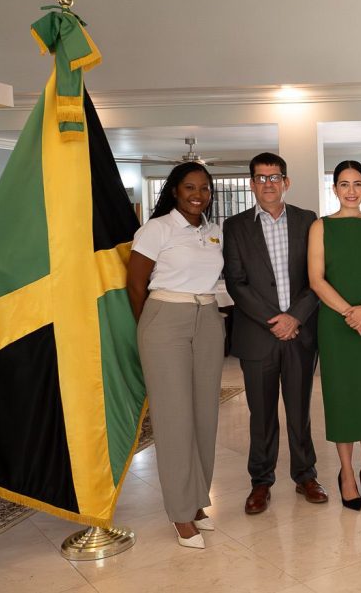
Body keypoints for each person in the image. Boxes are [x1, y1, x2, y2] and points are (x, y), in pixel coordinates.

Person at [126, 162, 224, 549]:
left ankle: (197, 500)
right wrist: (152, 328)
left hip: (208, 318)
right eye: (189, 187)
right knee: (174, 418)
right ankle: (180, 513)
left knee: (205, 416)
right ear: (174, 191)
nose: (198, 194)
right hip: (165, 319)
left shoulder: (214, 232)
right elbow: (135, 285)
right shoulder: (157, 229)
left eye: (204, 188)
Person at [222, 153, 326, 516]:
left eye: (275, 177)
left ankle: (305, 476)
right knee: (261, 414)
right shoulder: (235, 226)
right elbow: (236, 283)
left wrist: (294, 317)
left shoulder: (307, 221)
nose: (268, 184)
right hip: (258, 336)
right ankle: (261, 482)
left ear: (286, 182)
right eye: (261, 178)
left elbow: (317, 277)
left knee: (300, 411)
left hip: (299, 334)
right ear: (252, 184)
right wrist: (275, 320)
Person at [308, 160, 361, 511]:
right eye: (344, 184)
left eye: (358, 184)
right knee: (341, 397)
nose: (351, 191)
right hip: (336, 324)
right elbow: (316, 280)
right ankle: (345, 472)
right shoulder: (320, 227)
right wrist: (350, 314)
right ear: (335, 189)